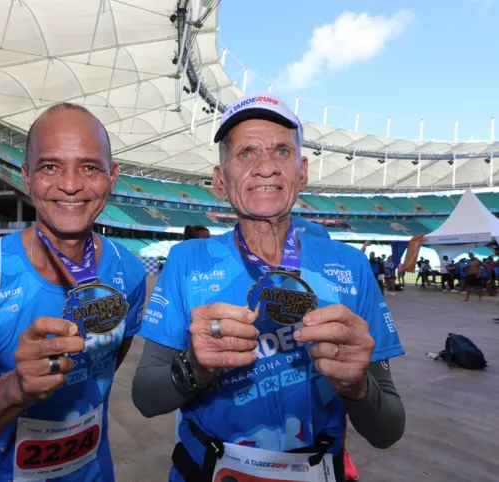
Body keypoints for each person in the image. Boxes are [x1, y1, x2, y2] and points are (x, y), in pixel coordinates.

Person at [132, 92, 405, 482]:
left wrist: (356, 385)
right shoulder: (187, 261)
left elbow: (388, 429)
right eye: (246, 153)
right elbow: (144, 396)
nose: (265, 168)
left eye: (281, 152)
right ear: (220, 180)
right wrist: (195, 366)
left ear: (302, 171)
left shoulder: (350, 266)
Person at [0, 102, 146, 481]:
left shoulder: (129, 271)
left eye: (89, 167)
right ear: (26, 178)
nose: (71, 184)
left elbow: (103, 370)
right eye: (50, 167)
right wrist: (14, 388)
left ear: (112, 178)